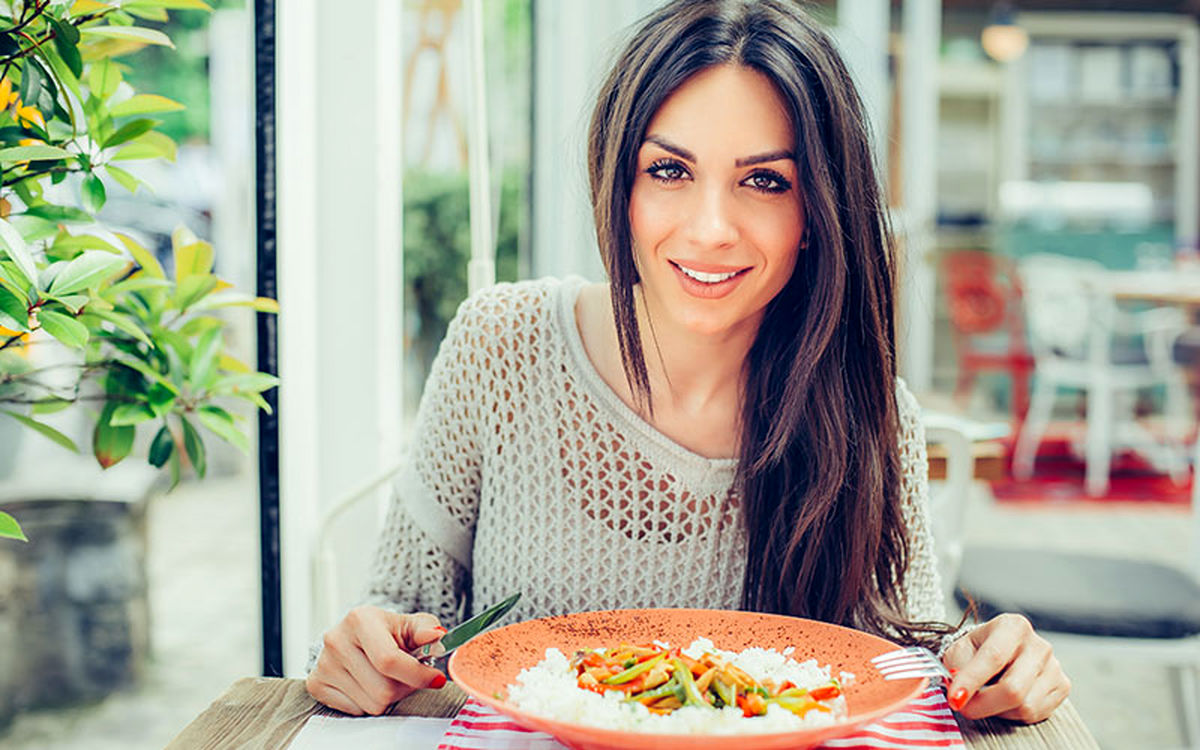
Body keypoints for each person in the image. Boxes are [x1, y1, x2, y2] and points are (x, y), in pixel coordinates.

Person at [306, 0, 1070, 724]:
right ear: (619, 185)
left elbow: (906, 672)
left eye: (765, 181)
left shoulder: (868, 412)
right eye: (669, 171)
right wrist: (362, 653)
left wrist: (990, 669)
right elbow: (400, 629)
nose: (711, 229)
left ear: (816, 216)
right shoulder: (500, 346)